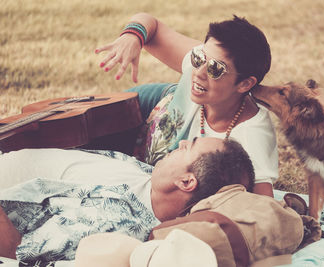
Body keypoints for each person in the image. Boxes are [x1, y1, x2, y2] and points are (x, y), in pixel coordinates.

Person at [95, 13, 279, 197]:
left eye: (215, 69)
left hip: (147, 170)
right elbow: (151, 26)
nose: (198, 72)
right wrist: (133, 36)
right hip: (136, 112)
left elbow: (263, 205)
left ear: (245, 84)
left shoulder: (251, 134)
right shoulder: (205, 60)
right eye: (198, 57)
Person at [0, 137, 255, 262]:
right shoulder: (149, 176)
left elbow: (16, 251)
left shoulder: (118, 223)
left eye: (189, 147)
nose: (182, 141)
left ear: (186, 182)